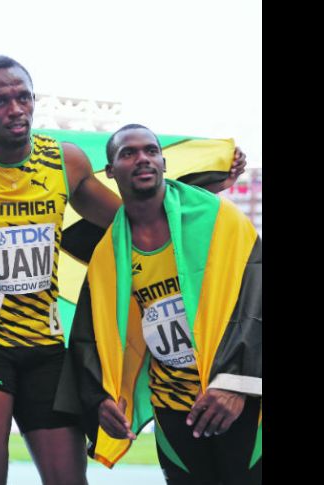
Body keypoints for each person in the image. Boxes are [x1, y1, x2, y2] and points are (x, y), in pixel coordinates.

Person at [0, 55, 247, 485]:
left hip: (47, 347)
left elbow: (133, 220)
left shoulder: (64, 163)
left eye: (23, 97)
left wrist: (201, 191)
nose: (15, 109)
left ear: (34, 100)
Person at [67, 124, 261, 484]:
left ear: (163, 162)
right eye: (128, 153)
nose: (142, 158)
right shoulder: (108, 255)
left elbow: (257, 305)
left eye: (150, 151)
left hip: (240, 404)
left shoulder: (222, 221)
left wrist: (238, 384)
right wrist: (100, 398)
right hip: (173, 410)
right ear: (110, 171)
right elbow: (90, 336)